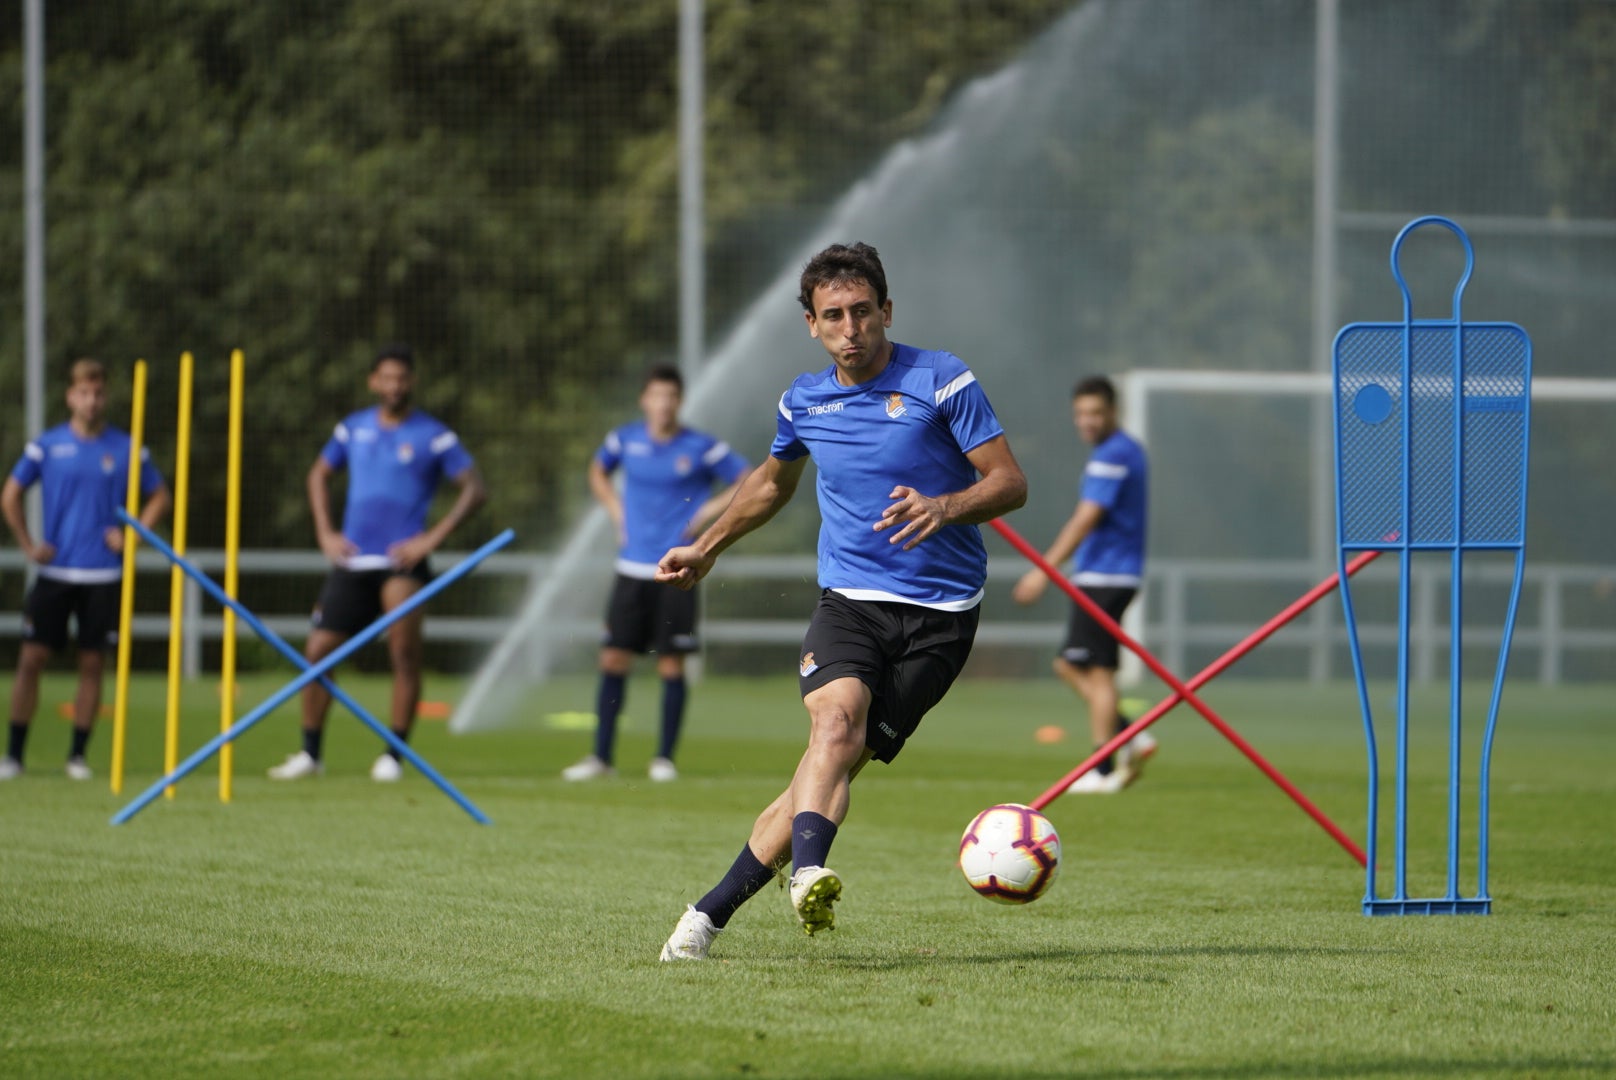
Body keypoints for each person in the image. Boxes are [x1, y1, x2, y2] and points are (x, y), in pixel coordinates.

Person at [655, 242, 1027, 960]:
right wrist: (706, 545)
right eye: (834, 316)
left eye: (862, 312)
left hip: (943, 618)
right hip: (851, 601)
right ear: (811, 325)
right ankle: (810, 871)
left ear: (887, 311)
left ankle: (702, 919)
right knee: (833, 731)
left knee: (823, 772)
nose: (850, 327)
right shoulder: (803, 399)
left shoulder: (942, 380)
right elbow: (770, 483)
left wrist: (947, 505)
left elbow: (1010, 482)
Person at [269, 344, 486, 782]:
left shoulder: (434, 435)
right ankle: (310, 754)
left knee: (403, 652)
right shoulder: (352, 429)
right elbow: (318, 475)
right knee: (318, 652)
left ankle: (393, 755)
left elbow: (474, 489)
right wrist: (325, 533)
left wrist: (431, 539)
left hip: (400, 563)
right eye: (386, 378)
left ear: (412, 382)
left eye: (402, 378)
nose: (394, 386)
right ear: (373, 381)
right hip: (352, 561)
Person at [562, 366, 748, 783]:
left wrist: (704, 512)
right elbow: (597, 470)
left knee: (671, 664)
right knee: (612, 657)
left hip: (677, 569)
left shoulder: (700, 446)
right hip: (630, 568)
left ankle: (663, 759)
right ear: (644, 400)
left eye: (670, 396)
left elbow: (750, 477)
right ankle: (601, 758)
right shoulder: (624, 439)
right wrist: (614, 511)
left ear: (679, 402)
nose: (663, 404)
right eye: (655, 396)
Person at [1, 358, 170, 780]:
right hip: (56, 572)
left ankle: (77, 757)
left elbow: (160, 497)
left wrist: (133, 534)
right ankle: (14, 755)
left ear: (105, 396)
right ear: (70, 396)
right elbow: (10, 494)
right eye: (83, 393)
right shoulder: (47, 445)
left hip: (104, 575)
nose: (91, 401)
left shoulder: (126, 447)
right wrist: (27, 544)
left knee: (93, 664)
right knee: (31, 659)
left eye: (97, 393)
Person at [1011, 375, 1152, 794]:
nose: (1087, 422)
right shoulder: (1126, 451)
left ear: (1114, 412)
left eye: (1095, 413)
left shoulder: (1112, 455)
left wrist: (1043, 570)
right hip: (1109, 575)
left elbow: (1085, 519)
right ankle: (1130, 734)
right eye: (1080, 414)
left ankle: (1104, 769)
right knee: (1069, 664)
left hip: (1105, 575)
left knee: (1097, 670)